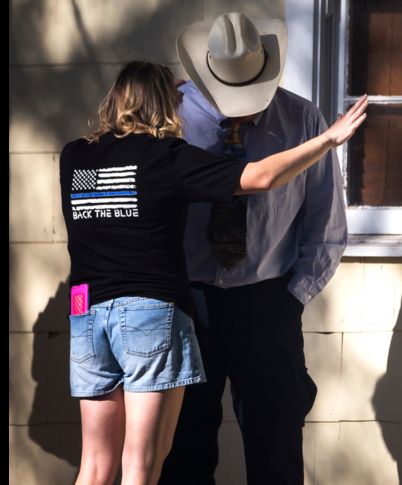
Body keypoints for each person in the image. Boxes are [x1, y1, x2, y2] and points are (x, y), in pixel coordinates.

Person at [60, 60, 367, 485]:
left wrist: (290, 298)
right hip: (158, 311)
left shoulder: (73, 157)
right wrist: (330, 139)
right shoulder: (166, 157)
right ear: (170, 103)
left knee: (95, 464)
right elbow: (259, 177)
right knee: (146, 463)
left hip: (88, 313)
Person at [160, 12, 349, 485]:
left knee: (276, 446)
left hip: (267, 300)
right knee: (183, 447)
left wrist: (292, 298)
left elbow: (325, 220)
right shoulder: (169, 118)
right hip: (186, 302)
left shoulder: (302, 119)